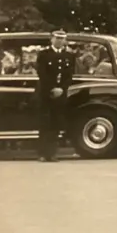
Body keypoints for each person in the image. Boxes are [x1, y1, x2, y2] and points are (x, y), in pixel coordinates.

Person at [36, 30, 75, 162]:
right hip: (46, 94)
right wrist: (51, 88)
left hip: (60, 94)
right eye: (57, 38)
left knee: (56, 124)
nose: (59, 41)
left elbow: (69, 75)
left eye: (62, 38)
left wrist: (62, 89)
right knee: (44, 123)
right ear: (51, 39)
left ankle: (52, 153)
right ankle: (42, 153)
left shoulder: (69, 56)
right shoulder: (44, 54)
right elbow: (42, 73)